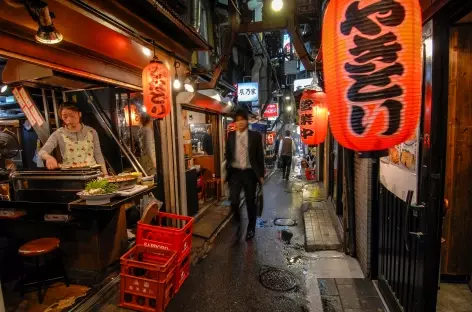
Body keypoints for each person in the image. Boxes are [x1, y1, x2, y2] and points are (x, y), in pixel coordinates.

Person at [225, 109, 264, 240]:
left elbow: (260, 156)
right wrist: (227, 173)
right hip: (235, 173)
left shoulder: (256, 136)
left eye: (242, 119)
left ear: (247, 121)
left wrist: (261, 175)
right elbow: (228, 155)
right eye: (237, 120)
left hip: (249, 173)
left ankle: (251, 228)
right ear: (235, 122)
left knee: (250, 202)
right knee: (234, 202)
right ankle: (238, 224)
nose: (240, 122)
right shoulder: (230, 136)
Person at [39, 102, 107, 175]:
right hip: (71, 175)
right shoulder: (58, 134)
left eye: (72, 116)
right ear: (61, 117)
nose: (69, 120)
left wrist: (105, 174)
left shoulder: (91, 132)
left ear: (79, 114)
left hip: (92, 173)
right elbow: (42, 152)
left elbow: (98, 154)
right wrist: (48, 157)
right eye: (65, 117)